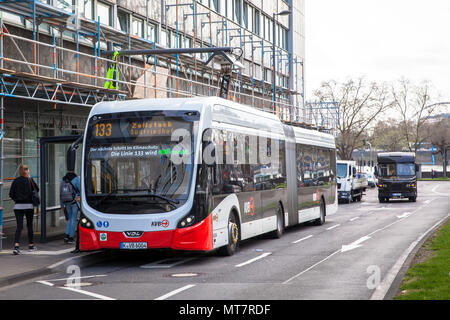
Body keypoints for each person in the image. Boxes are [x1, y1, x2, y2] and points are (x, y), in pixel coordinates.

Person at [9, 164, 39, 255]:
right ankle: (31, 245)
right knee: (29, 226)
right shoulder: (30, 180)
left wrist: (17, 200)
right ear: (27, 171)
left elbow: (11, 194)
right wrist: (29, 177)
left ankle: (16, 246)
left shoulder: (16, 181)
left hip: (18, 207)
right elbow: (37, 190)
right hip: (29, 206)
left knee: (19, 226)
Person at [60, 171, 80, 245]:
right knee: (73, 219)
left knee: (69, 218)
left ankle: (66, 235)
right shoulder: (76, 179)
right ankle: (71, 237)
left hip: (66, 202)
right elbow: (80, 189)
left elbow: (61, 193)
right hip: (74, 201)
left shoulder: (63, 180)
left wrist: (61, 205)